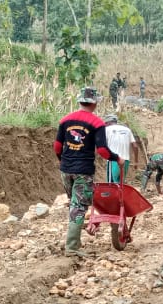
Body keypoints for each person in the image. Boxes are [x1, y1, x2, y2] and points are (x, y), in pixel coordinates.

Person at [54, 87, 124, 257]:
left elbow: (57, 146)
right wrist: (117, 159)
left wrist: (63, 161)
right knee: (78, 207)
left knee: (74, 204)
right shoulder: (97, 123)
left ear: (80, 101)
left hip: (65, 169)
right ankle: (72, 247)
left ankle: (74, 240)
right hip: (83, 170)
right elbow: (102, 151)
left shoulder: (65, 120)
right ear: (95, 103)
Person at [103, 114, 138, 184]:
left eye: (105, 124)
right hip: (125, 161)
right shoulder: (127, 130)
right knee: (121, 184)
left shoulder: (107, 129)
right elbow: (135, 146)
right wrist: (136, 161)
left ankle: (113, 195)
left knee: (111, 184)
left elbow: (101, 145)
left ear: (108, 122)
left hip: (113, 160)